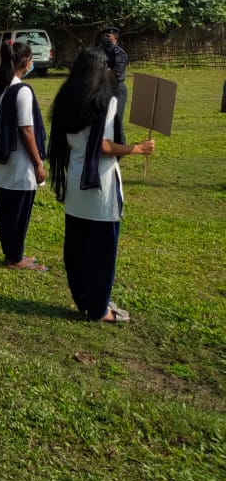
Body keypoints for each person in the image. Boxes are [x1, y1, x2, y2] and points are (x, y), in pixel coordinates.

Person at [48, 47, 155, 323]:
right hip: (100, 184)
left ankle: (85, 300)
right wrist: (137, 148)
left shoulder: (66, 99)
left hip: (75, 180)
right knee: (102, 252)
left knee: (77, 247)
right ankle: (99, 309)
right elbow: (104, 146)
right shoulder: (105, 101)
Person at [0, 41, 48, 272]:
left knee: (6, 212)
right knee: (19, 213)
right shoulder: (21, 91)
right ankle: (15, 257)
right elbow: (26, 129)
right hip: (20, 163)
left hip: (2, 162)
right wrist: (38, 163)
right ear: (25, 62)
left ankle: (12, 253)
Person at [99, 27, 128, 145]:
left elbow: (117, 74)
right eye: (104, 36)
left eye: (108, 36)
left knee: (116, 117)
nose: (105, 38)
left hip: (117, 89)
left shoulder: (119, 53)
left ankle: (120, 145)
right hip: (102, 88)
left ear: (115, 38)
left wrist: (103, 71)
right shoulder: (99, 52)